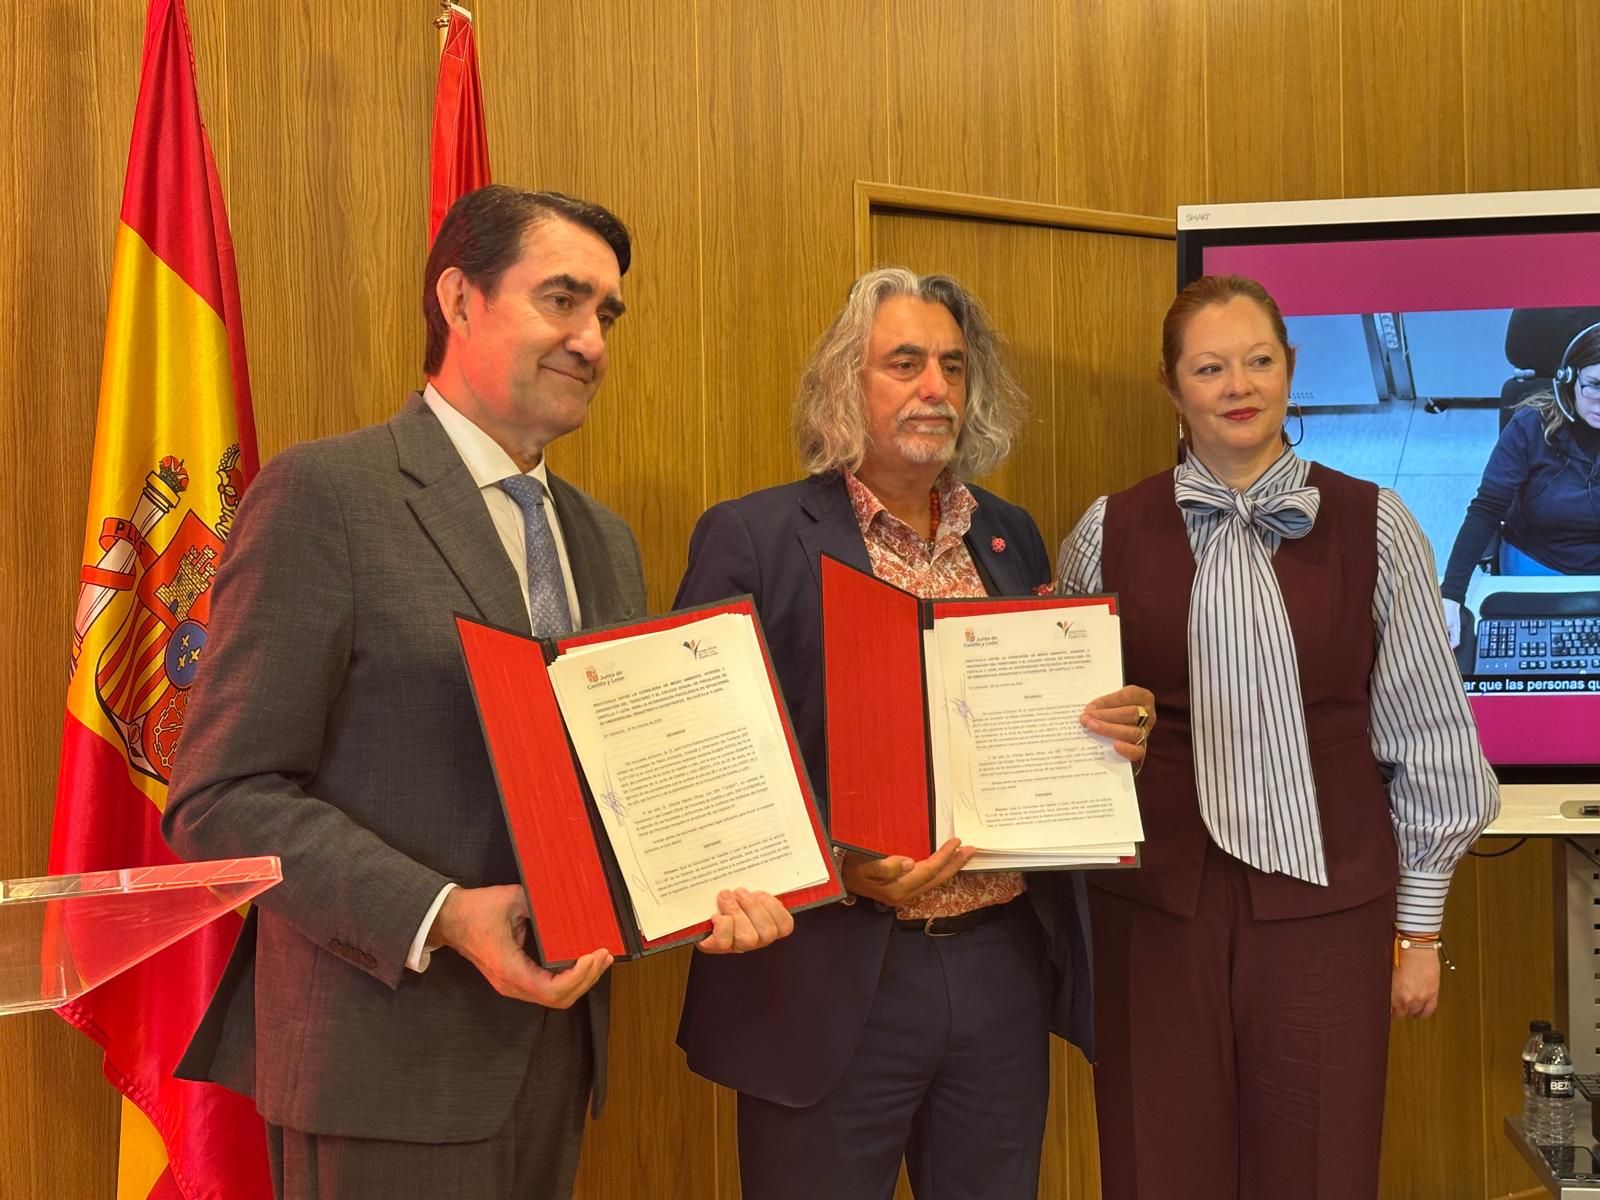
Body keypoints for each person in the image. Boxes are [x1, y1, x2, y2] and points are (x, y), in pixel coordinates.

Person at [162, 185, 792, 1200]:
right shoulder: (328, 496)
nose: (591, 340)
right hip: (383, 1068)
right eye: (562, 300)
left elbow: (609, 792)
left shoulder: (605, 541)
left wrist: (700, 887)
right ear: (459, 299)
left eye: (607, 315)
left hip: (557, 1057)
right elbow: (222, 801)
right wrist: (445, 914)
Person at [674, 266, 1155, 1200]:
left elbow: (1037, 717)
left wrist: (1108, 727)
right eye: (905, 362)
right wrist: (842, 862)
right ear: (845, 384)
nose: (935, 387)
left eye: (952, 365)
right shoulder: (756, 537)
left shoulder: (1008, 537)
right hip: (832, 972)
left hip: (999, 966)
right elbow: (711, 770)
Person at [1056, 273, 1500, 1200]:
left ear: (1290, 372)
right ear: (1173, 388)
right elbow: (1056, 723)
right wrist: (1099, 728)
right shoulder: (1107, 531)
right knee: (1159, 1168)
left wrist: (1420, 929)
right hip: (1157, 913)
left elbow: (1429, 732)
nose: (1238, 385)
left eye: (1258, 361)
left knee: (1320, 1170)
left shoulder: (1381, 527)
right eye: (1210, 367)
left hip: (1330, 907)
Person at [1441, 319, 1600, 648]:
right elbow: (1486, 509)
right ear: (1568, 380)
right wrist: (1451, 595)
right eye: (1595, 385)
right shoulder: (1531, 426)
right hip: (1538, 560)